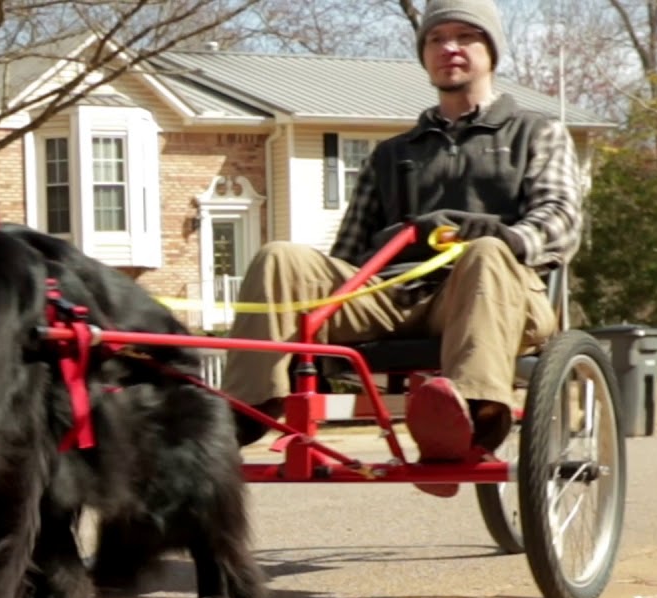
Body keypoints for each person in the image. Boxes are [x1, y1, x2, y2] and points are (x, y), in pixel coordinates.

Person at [221, 0, 584, 483]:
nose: (449, 48)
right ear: (424, 53)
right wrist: (325, 307)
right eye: (436, 38)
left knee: (485, 253)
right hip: (395, 295)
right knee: (279, 258)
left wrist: (506, 238)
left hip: (498, 294)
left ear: (491, 50)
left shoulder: (536, 133)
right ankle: (243, 412)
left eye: (465, 36)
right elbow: (348, 255)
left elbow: (560, 218)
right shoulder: (392, 154)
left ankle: (471, 419)